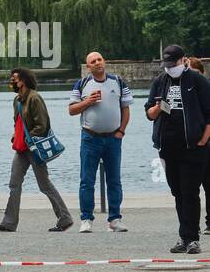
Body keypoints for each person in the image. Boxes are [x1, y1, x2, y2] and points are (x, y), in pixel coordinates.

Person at [145, 44, 210, 254]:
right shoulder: (160, 81)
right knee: (178, 193)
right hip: (168, 146)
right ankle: (184, 236)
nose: (170, 68)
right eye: (167, 64)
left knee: (190, 192)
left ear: (183, 61)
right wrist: (157, 107)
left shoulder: (197, 80)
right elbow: (149, 113)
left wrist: (204, 138)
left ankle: (192, 238)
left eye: (173, 64)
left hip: (193, 146)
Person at [0, 68, 72, 232]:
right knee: (14, 184)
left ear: (23, 80)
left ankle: (65, 219)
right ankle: (9, 223)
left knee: (44, 184)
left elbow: (42, 126)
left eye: (14, 78)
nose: (11, 81)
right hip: (21, 149)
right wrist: (16, 136)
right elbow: (18, 123)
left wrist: (27, 140)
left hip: (34, 148)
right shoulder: (17, 100)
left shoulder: (35, 98)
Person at [68, 51, 131, 232]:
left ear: (104, 62)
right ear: (88, 66)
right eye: (93, 61)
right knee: (87, 180)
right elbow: (72, 110)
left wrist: (121, 131)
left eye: (99, 59)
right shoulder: (82, 84)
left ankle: (115, 219)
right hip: (90, 138)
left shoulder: (118, 82)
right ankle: (86, 219)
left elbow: (126, 109)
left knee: (114, 180)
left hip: (113, 138)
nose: (97, 63)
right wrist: (87, 101)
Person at [192, 57, 210, 233]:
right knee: (191, 187)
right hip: (192, 143)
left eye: (196, 73)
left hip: (206, 141)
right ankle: (192, 224)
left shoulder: (206, 88)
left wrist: (205, 138)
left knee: (209, 184)